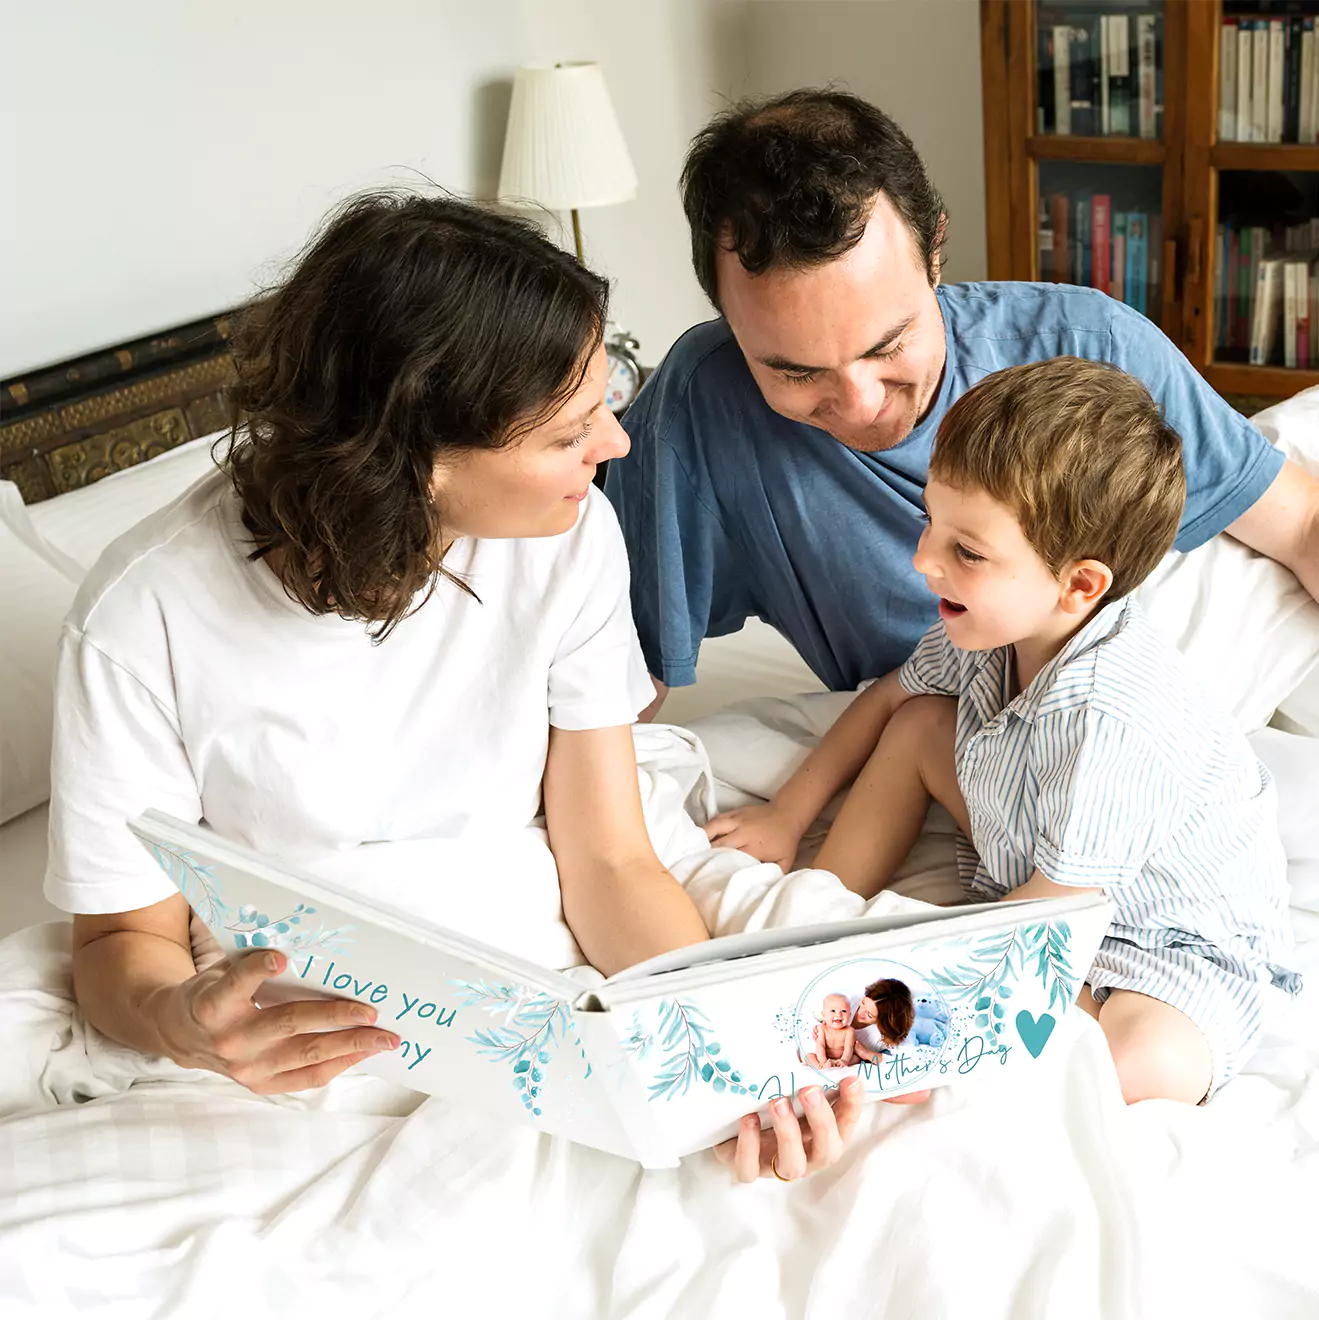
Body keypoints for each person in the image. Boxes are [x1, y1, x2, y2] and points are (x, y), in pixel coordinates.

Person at [43, 191, 858, 1181]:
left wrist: (709, 1060)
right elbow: (123, 941)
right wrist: (183, 1022)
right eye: (568, 433)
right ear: (415, 460)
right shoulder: (144, 616)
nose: (615, 446)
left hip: (530, 938)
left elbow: (607, 859)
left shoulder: (569, 538)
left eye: (609, 397)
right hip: (314, 998)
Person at [604, 89, 1319, 719]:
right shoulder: (696, 410)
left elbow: (1301, 524)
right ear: (726, 317)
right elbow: (616, 683)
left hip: (1171, 658)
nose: (859, 405)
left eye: (889, 345)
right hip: (937, 718)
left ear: (936, 249)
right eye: (793, 372)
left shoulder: (1088, 343)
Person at [706, 358, 1300, 1104]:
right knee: (921, 721)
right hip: (1041, 864)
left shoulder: (1111, 720)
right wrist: (787, 813)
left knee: (1143, 1060)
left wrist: (909, 1019)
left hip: (1166, 945)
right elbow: (890, 698)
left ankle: (968, 1039)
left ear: (1078, 586)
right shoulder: (989, 629)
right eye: (931, 523)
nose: (924, 562)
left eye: (967, 552)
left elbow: (1051, 918)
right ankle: (830, 914)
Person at [851, 978, 914, 1057]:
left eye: (869, 1015)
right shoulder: (849, 1001)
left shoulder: (886, 1034)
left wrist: (868, 1054)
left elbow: (908, 1058)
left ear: (882, 1021)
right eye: (863, 1003)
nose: (861, 1012)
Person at [804, 992, 862, 1068]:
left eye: (844, 1011)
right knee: (809, 1056)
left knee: (857, 1058)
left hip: (841, 1058)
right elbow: (820, 1046)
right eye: (833, 1011)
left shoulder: (849, 1031)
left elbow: (849, 1048)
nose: (838, 1015)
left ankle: (836, 1063)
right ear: (824, 1015)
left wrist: (844, 1060)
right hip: (824, 1057)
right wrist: (823, 1061)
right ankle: (819, 1066)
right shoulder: (822, 1028)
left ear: (850, 1015)